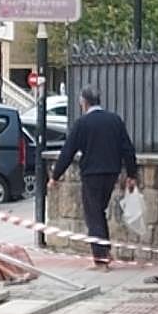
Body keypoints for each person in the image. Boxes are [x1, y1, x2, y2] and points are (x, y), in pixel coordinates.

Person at [48, 85, 137, 270]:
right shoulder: (115, 120)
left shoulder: (83, 124)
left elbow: (68, 151)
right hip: (111, 173)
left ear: (84, 102)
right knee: (99, 212)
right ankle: (105, 250)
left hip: (91, 174)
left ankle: (101, 258)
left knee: (93, 215)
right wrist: (131, 174)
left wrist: (55, 176)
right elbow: (128, 148)